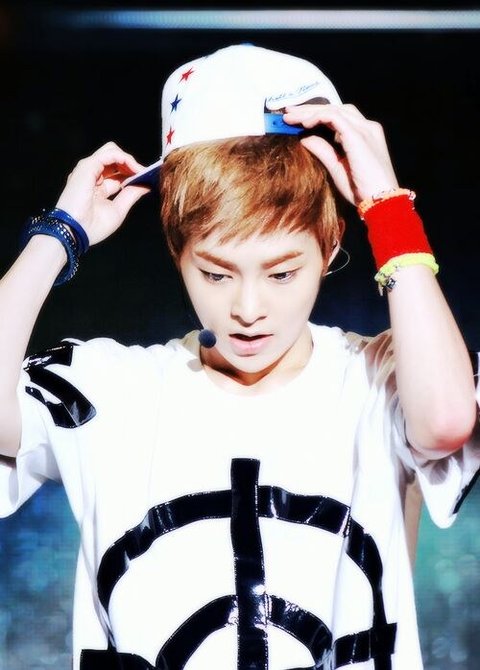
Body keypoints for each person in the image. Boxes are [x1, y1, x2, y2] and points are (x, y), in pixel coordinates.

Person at [0, 43, 478, 670]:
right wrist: (59, 235)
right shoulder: (112, 392)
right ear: (177, 253)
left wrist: (388, 209)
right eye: (216, 273)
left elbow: (446, 420)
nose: (249, 309)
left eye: (281, 273)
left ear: (330, 243)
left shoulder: (376, 380)